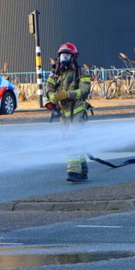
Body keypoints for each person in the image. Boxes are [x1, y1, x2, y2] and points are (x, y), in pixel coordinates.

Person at [46, 42, 92, 182]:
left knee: (71, 140)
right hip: (63, 113)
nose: (64, 58)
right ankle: (83, 169)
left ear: (73, 57)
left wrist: (67, 94)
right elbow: (48, 89)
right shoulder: (55, 73)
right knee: (70, 140)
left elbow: (84, 91)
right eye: (62, 55)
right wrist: (53, 97)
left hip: (77, 112)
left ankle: (74, 172)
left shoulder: (81, 72)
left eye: (67, 55)